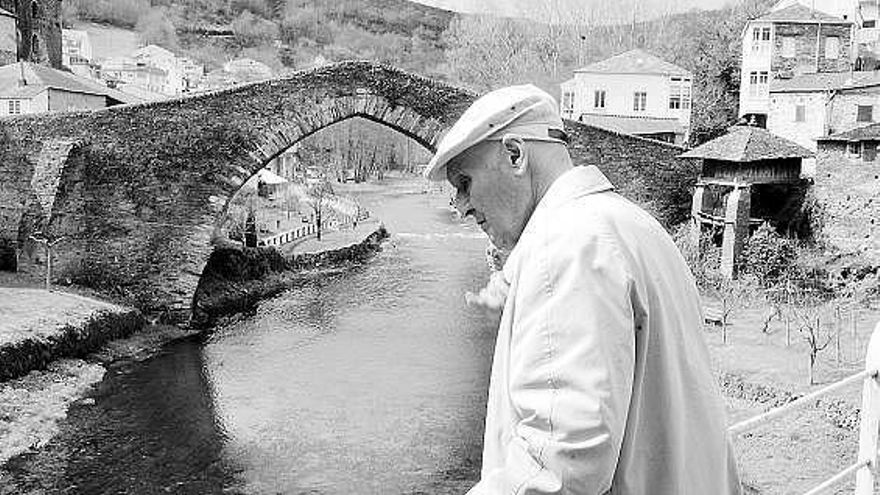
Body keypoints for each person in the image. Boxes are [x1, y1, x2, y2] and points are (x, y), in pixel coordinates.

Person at [423, 84, 742, 495]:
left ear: (515, 155)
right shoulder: (632, 224)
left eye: (464, 183)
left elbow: (561, 465)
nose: (461, 206)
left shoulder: (565, 246)